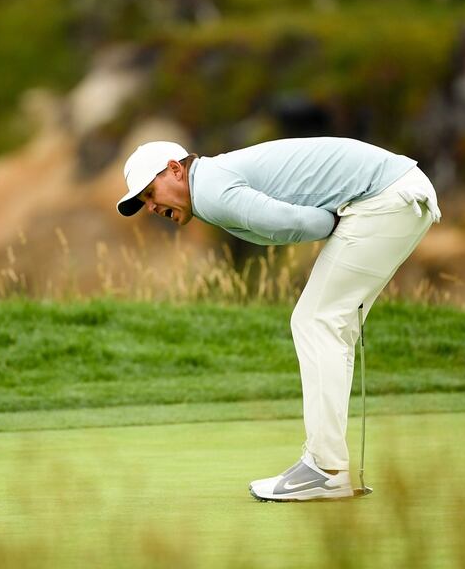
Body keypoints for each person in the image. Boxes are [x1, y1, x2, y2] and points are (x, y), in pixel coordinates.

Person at [116, 138, 440, 501]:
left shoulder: (207, 189)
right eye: (143, 201)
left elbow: (287, 223)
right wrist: (335, 216)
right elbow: (281, 224)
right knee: (326, 322)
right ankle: (328, 466)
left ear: (176, 168)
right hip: (397, 193)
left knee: (315, 321)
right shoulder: (210, 182)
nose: (150, 207)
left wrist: (332, 218)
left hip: (384, 199)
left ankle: (325, 469)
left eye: (149, 192)